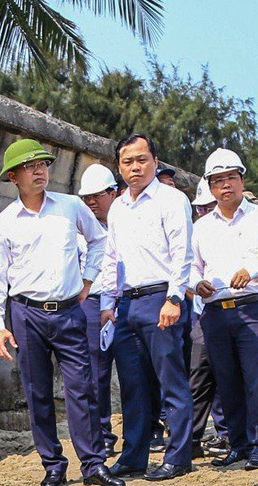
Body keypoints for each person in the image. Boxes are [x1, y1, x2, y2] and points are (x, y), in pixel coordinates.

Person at [0, 139, 124, 486]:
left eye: (43, 165)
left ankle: (93, 464)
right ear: (13, 177)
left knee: (83, 389)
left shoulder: (70, 207)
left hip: (69, 312)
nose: (39, 171)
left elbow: (99, 240)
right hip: (26, 314)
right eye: (30, 167)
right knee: (37, 392)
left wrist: (88, 280)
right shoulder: (4, 223)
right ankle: (52, 465)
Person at [99, 134, 196, 481]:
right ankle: (134, 456)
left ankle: (179, 456)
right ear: (119, 167)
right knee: (133, 385)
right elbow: (112, 258)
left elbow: (182, 252)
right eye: (127, 162)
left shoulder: (171, 200)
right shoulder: (119, 208)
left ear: (155, 160)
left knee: (171, 380)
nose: (135, 167)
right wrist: (108, 303)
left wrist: (174, 297)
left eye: (141, 159)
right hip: (127, 304)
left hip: (161, 299)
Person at [191, 149, 258, 470]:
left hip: (253, 308)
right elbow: (191, 267)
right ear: (209, 187)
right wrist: (198, 284)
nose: (225, 186)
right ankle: (237, 443)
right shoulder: (202, 227)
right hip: (215, 312)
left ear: (241, 180)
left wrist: (254, 270)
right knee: (227, 380)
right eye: (218, 181)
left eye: (231, 178)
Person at [77, 163, 145, 459]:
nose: (92, 203)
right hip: (93, 305)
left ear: (113, 193)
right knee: (96, 376)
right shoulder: (79, 232)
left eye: (97, 196)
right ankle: (103, 435)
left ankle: (142, 432)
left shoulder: (130, 221)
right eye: (86, 198)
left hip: (129, 301)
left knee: (136, 374)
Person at [188, 181, 230, 456]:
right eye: (199, 208)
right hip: (203, 316)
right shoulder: (198, 232)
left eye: (207, 207)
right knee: (198, 377)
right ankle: (191, 441)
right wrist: (195, 284)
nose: (203, 212)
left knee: (231, 378)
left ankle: (230, 435)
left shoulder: (236, 229)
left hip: (233, 312)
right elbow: (189, 267)